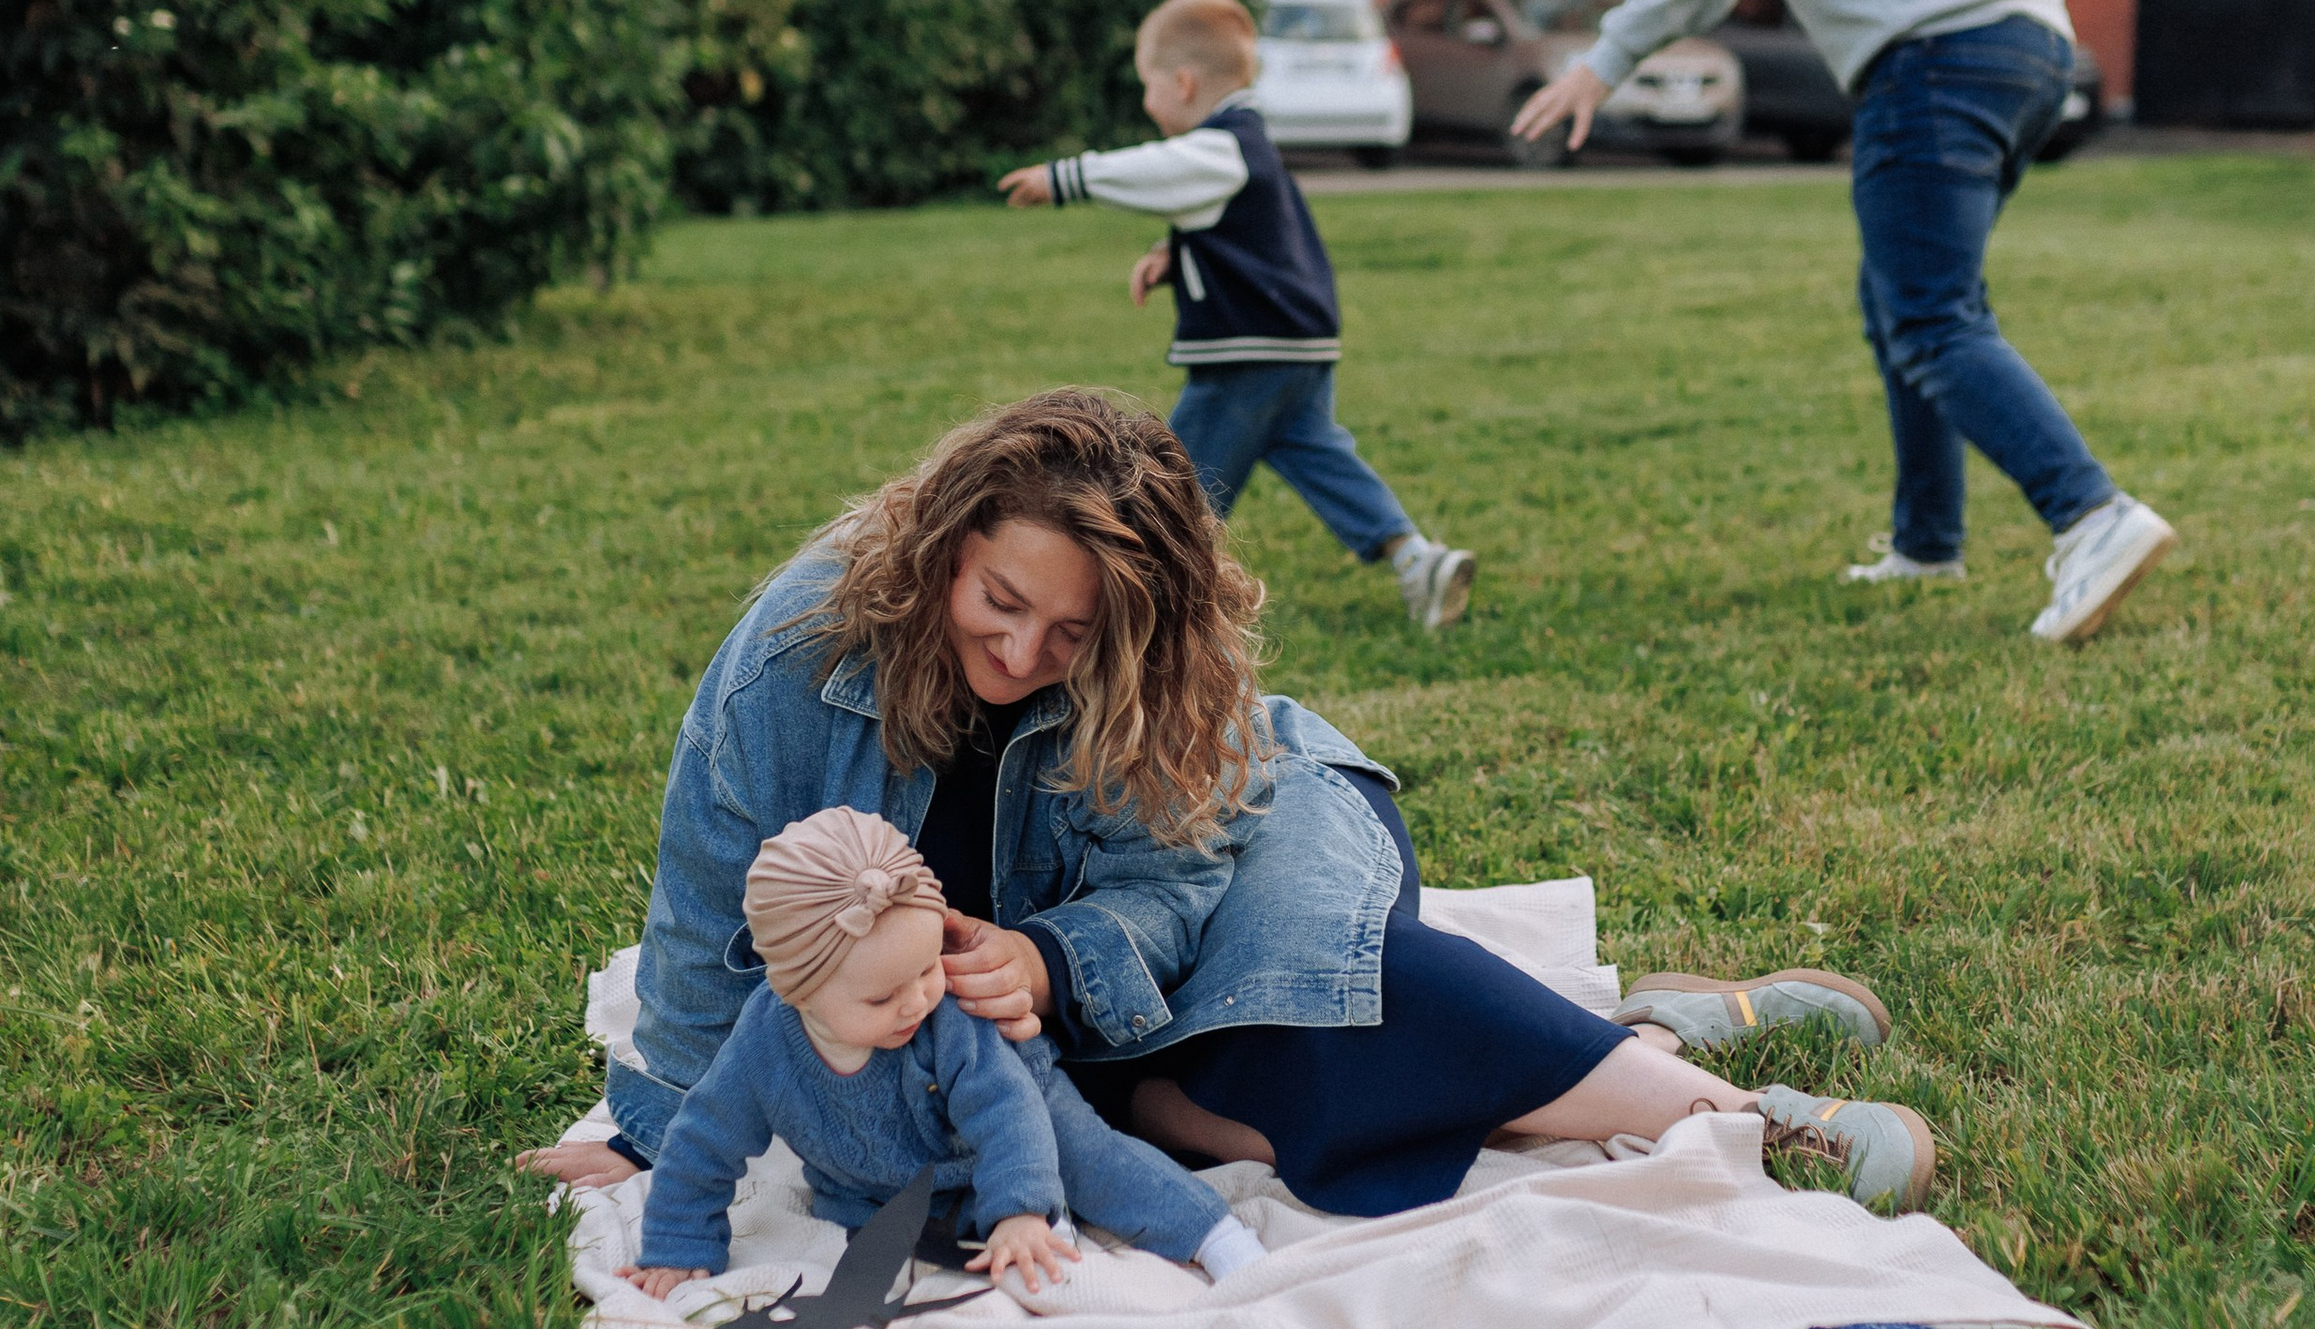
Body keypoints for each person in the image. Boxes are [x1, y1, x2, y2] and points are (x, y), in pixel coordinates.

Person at [516, 391, 1931, 1224]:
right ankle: (1643, 1034)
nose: (1019, 656)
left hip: (1247, 849)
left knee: (1324, 996)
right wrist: (655, 1124)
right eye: (999, 604)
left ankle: (1746, 1114)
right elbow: (711, 899)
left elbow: (1175, 884)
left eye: (1067, 636)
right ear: (946, 545)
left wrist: (1051, 957)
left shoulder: (1152, 683)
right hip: (1079, 1018)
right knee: (1181, 1118)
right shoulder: (795, 660)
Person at [1515, 0, 2176, 646]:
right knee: (1906, 301)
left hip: (1932, 60)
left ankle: (2091, 515)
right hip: (2030, 50)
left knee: (1927, 317)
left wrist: (1605, 56)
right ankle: (1926, 542)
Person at [626, 806, 1263, 1301]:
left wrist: (1019, 1210)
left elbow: (1005, 1111)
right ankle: (994, 1222)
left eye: (929, 966)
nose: (917, 1001)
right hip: (884, 1177)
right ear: (798, 992)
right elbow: (703, 1137)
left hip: (1019, 1110)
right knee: (894, 1233)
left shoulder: (950, 1014)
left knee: (1090, 1160)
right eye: (882, 998)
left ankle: (1212, 1235)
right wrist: (678, 1240)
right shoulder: (765, 1044)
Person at [996, 0, 1476, 637]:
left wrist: (1063, 179)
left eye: (1148, 86)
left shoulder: (1220, 146)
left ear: (1184, 83)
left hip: (1251, 354)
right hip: (1300, 347)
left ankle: (1154, 615)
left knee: (1170, 484)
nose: (1146, 102)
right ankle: (1417, 559)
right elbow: (1241, 230)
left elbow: (1160, 171)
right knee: (1321, 458)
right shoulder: (1247, 146)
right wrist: (1175, 252)